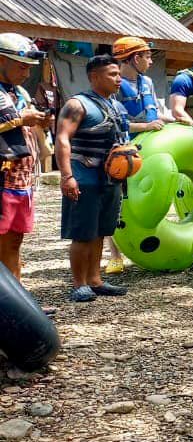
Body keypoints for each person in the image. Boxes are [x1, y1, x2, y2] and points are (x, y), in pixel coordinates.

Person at [55, 55, 132, 303]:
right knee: (83, 233)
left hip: (109, 178)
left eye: (119, 74)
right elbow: (62, 139)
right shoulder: (78, 105)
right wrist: (67, 176)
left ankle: (95, 280)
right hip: (83, 174)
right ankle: (79, 284)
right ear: (94, 76)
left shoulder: (116, 105)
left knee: (100, 231)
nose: (118, 78)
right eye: (112, 74)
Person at [105, 37, 169, 275]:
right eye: (147, 56)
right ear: (134, 58)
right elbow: (113, 122)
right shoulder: (115, 85)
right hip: (124, 152)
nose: (151, 61)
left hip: (150, 149)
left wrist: (178, 120)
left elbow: (157, 114)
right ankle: (114, 255)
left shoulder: (148, 82)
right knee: (117, 202)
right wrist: (146, 127)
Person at [0, 35, 54, 312]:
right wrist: (22, 119)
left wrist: (42, 122)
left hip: (21, 179)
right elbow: (15, 122)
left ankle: (19, 305)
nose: (27, 71)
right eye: (20, 66)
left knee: (14, 241)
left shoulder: (19, 93)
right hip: (2, 178)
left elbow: (27, 123)